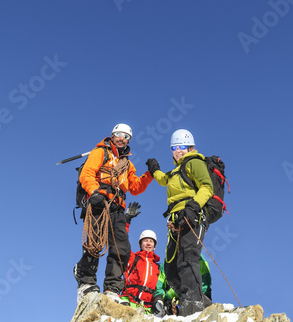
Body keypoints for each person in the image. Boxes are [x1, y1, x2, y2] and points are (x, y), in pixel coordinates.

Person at [73, 123, 154, 304]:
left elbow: (135, 187)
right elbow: (87, 173)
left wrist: (150, 174)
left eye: (126, 136)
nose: (122, 138)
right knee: (95, 243)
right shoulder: (100, 153)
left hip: (117, 208)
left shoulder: (127, 164)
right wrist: (94, 192)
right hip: (99, 202)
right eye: (119, 134)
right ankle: (85, 279)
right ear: (112, 135)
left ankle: (112, 287)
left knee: (121, 248)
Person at [146, 129, 213, 316]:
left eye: (183, 147)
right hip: (176, 220)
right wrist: (154, 170)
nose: (179, 151)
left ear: (191, 147)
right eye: (175, 147)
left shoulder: (194, 163)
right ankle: (200, 303)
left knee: (187, 260)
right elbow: (163, 180)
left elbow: (207, 187)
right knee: (170, 268)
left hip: (192, 217)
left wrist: (192, 208)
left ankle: (193, 308)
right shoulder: (176, 171)